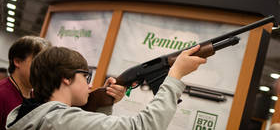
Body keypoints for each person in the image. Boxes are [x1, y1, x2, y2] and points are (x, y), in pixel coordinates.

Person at [6, 45, 206, 130]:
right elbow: (142, 127)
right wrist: (175, 76)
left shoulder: (31, 114)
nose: (90, 84)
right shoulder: (58, 120)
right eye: (86, 76)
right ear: (65, 78)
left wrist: (103, 100)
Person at [1, 36, 125, 130]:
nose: (43, 64)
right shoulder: (3, 94)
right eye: (37, 58)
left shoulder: (33, 99)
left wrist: (102, 100)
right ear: (17, 61)